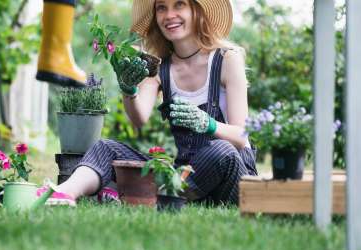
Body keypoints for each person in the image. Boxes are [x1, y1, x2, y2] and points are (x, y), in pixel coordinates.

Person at [37, 0, 258, 206]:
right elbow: (139, 119)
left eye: (179, 4)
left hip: (232, 176)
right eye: (161, 7)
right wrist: (128, 88)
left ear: (196, 10)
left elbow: (241, 136)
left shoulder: (227, 59)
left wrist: (208, 124)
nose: (169, 15)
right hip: (184, 177)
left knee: (221, 149)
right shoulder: (161, 68)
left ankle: (148, 194)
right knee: (106, 147)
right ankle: (63, 193)